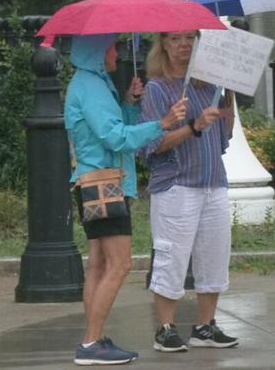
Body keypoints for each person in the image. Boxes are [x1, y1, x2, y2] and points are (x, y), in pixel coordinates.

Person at [66, 35, 187, 366]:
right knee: (120, 264)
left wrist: (130, 104)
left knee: (99, 265)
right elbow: (115, 138)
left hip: (94, 181)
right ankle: (91, 343)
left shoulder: (93, 83)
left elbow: (112, 126)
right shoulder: (90, 86)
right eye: (112, 47)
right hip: (104, 184)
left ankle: (93, 337)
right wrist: (161, 124)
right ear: (97, 51)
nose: (117, 53)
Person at [139, 31, 238, 353]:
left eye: (190, 39)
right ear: (163, 46)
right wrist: (191, 126)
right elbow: (153, 145)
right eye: (175, 39)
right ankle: (165, 327)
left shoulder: (208, 88)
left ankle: (205, 325)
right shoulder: (157, 89)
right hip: (177, 184)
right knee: (172, 256)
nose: (183, 45)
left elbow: (226, 133)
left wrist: (230, 93)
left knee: (215, 255)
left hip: (213, 181)